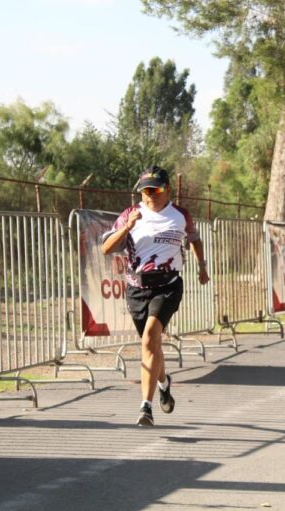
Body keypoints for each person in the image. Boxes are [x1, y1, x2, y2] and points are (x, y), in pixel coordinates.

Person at [101, 165, 210, 426]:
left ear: (167, 189)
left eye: (155, 189)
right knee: (151, 345)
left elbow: (194, 239)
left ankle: (145, 408)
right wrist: (126, 227)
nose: (150, 195)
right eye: (145, 190)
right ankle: (164, 382)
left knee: (150, 337)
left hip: (168, 285)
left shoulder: (180, 215)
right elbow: (106, 247)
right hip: (137, 287)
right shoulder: (131, 213)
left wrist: (202, 266)